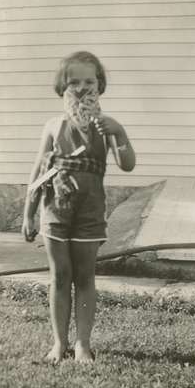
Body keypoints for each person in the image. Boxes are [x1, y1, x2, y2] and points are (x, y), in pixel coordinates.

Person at [22, 51, 136, 364]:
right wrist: (28, 213)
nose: (83, 89)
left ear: (100, 85)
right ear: (62, 87)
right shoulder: (53, 126)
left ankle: (83, 344)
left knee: (85, 277)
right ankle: (59, 343)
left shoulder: (105, 128)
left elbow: (127, 165)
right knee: (60, 277)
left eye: (90, 81)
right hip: (55, 210)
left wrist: (120, 133)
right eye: (74, 82)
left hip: (89, 212)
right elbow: (37, 174)